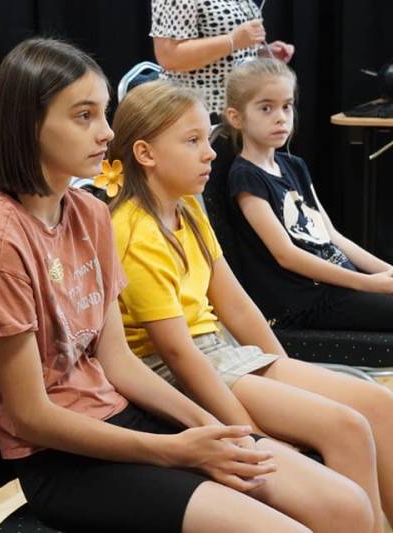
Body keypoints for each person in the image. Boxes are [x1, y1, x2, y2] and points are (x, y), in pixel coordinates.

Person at [0, 37, 373, 533]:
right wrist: (173, 450)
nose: (107, 132)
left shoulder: (88, 213)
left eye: (103, 113)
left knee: (346, 506)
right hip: (62, 459)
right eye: (84, 116)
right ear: (29, 125)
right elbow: (31, 417)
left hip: (123, 414)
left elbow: (118, 362)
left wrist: (213, 427)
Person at [109, 78, 393, 533]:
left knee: (378, 404)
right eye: (192, 141)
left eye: (207, 139)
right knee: (347, 428)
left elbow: (237, 307)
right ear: (145, 153)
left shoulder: (187, 208)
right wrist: (254, 435)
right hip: (182, 370)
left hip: (224, 354)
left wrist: (287, 372)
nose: (210, 153)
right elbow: (179, 354)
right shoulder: (132, 231)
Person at [223, 57, 393, 331]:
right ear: (236, 117)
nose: (281, 117)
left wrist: (387, 271)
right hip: (306, 301)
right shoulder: (246, 177)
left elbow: (332, 236)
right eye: (266, 108)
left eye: (287, 106)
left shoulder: (294, 165)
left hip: (338, 285)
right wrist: (369, 283)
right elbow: (286, 255)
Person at [151, 0, 294, 115]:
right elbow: (168, 56)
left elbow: (228, 53)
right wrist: (232, 40)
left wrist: (262, 53)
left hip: (237, 108)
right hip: (194, 110)